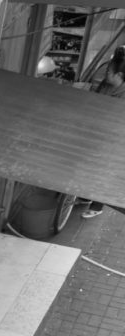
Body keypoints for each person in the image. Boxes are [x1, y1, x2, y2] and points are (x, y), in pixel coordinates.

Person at [83, 49, 125, 219]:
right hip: (97, 132)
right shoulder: (106, 86)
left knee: (102, 171)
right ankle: (84, 195)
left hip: (113, 139)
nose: (106, 73)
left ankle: (97, 204)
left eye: (109, 72)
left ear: (119, 75)